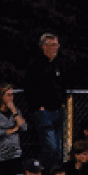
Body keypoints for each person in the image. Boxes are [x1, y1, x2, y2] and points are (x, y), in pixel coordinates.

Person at [23, 33, 69, 163]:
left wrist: (63, 103)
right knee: (50, 146)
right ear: (45, 47)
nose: (56, 48)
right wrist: (38, 106)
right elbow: (29, 87)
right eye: (53, 45)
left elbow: (63, 84)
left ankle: (55, 173)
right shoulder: (36, 65)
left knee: (59, 149)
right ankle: (45, 169)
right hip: (44, 112)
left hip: (58, 110)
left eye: (57, 45)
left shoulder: (59, 64)